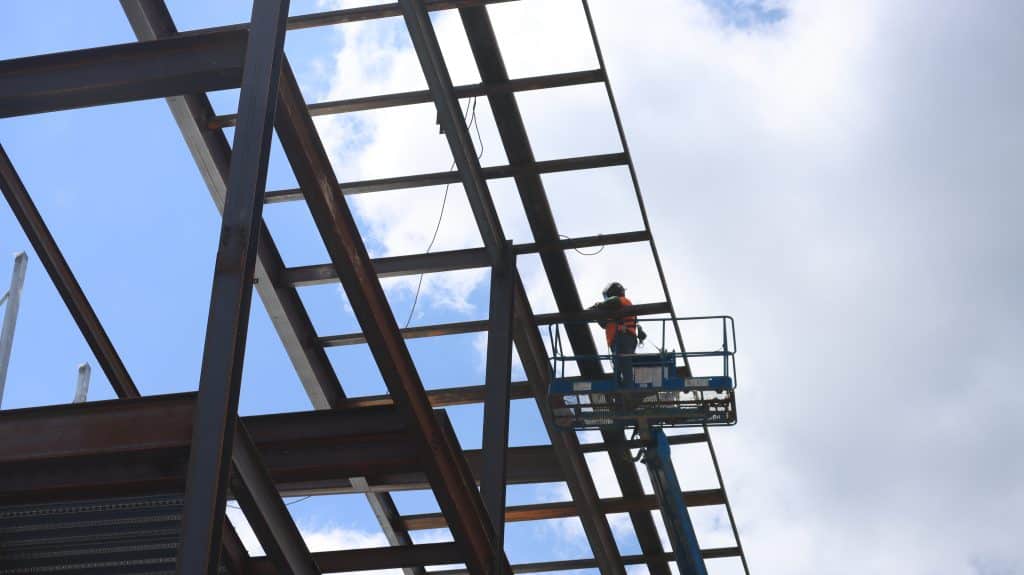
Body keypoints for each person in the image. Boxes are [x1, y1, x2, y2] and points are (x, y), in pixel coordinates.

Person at [590, 282, 641, 384]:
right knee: (620, 363)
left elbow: (612, 302)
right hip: (618, 341)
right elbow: (604, 324)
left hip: (624, 338)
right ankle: (621, 382)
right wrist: (595, 314)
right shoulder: (613, 310)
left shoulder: (623, 301)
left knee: (625, 362)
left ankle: (627, 384)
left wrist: (597, 306)